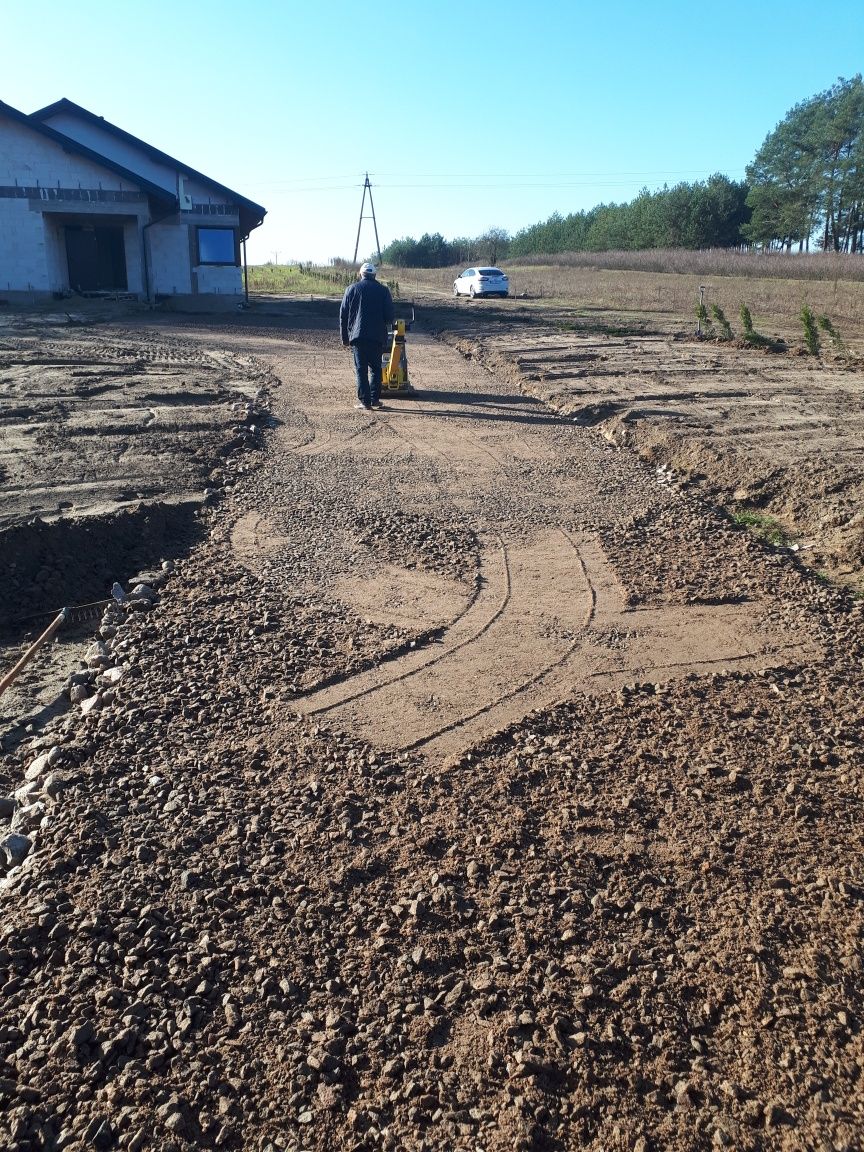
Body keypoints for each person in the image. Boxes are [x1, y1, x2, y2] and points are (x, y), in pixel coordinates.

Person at [339, 262, 395, 411]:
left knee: (361, 370)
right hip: (376, 337)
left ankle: (365, 402)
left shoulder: (351, 289)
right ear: (374, 275)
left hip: (358, 337)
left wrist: (345, 337)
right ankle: (374, 399)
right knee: (376, 369)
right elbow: (389, 317)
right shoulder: (383, 291)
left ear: (360, 274)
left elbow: (343, 316)